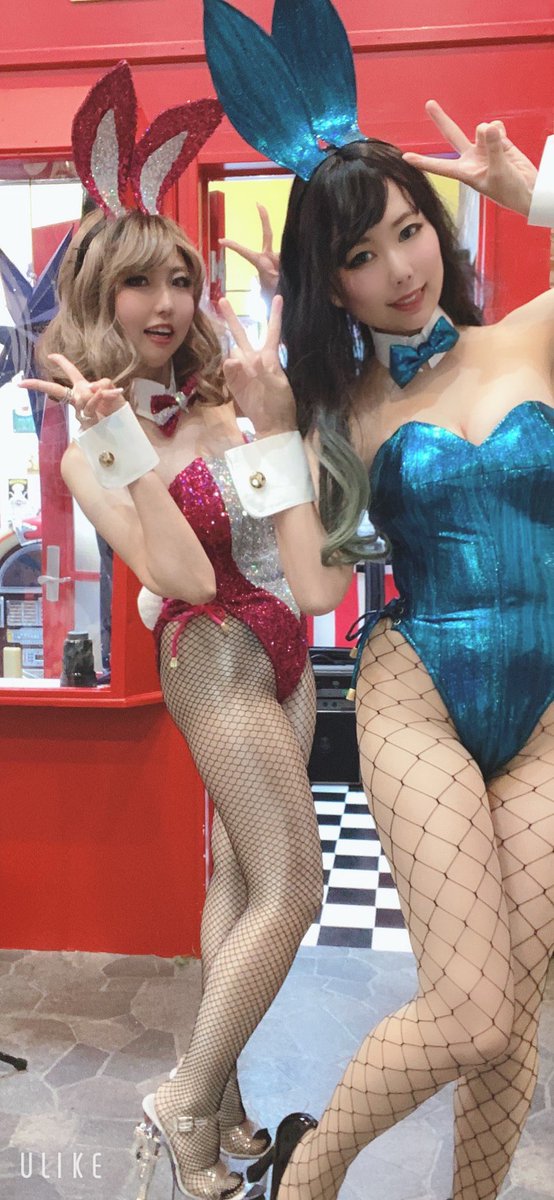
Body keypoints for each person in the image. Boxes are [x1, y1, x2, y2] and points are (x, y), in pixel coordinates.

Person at [202, 3, 554, 1197]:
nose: (399, 270)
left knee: (512, 1011)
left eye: (408, 230)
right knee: (470, 1005)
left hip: (546, 709)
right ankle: (310, 1177)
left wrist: (534, 196)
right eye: (360, 255)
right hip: (415, 698)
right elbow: (314, 584)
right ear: (329, 284)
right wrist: (269, 439)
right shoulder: (340, 412)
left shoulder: (532, 339)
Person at [21, 61, 323, 1200]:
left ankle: (226, 1106)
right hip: (214, 658)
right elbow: (186, 574)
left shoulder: (224, 397)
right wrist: (121, 448)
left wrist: (276, 387)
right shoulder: (87, 451)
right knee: (297, 887)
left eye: (180, 279)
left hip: (288, 655)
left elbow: (294, 534)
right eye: (138, 282)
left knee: (239, 878)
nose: (164, 303)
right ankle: (185, 1101)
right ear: (96, 296)